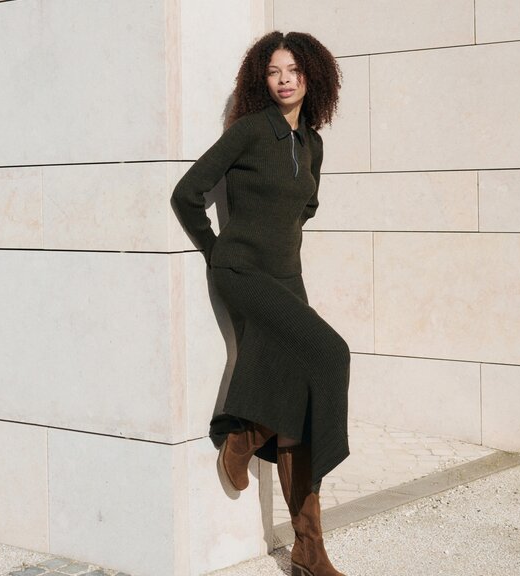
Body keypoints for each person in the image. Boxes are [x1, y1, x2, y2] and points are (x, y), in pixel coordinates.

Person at [167, 30, 349, 576]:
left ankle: (308, 551)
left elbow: (306, 205)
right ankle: (241, 433)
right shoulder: (249, 132)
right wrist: (218, 251)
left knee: (300, 405)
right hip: (242, 273)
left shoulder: (312, 144)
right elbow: (186, 193)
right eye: (275, 71)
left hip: (287, 280)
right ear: (261, 80)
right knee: (331, 353)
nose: (285, 78)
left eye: (294, 69)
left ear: (312, 76)